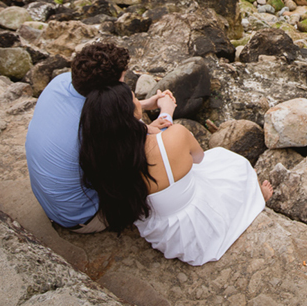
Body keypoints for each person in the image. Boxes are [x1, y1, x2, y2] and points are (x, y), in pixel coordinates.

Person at [78, 82, 272, 265]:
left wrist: (156, 124)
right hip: (197, 228)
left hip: (167, 233)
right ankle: (257, 197)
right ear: (130, 112)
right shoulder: (177, 134)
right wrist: (167, 114)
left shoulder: (102, 157)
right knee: (231, 161)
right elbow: (198, 158)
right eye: (134, 99)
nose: (139, 101)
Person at [25, 41, 174, 233]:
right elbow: (154, 149)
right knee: (155, 161)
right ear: (106, 91)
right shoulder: (96, 125)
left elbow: (112, 109)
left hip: (51, 203)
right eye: (122, 82)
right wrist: (166, 112)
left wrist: (143, 104)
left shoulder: (61, 82)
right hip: (83, 217)